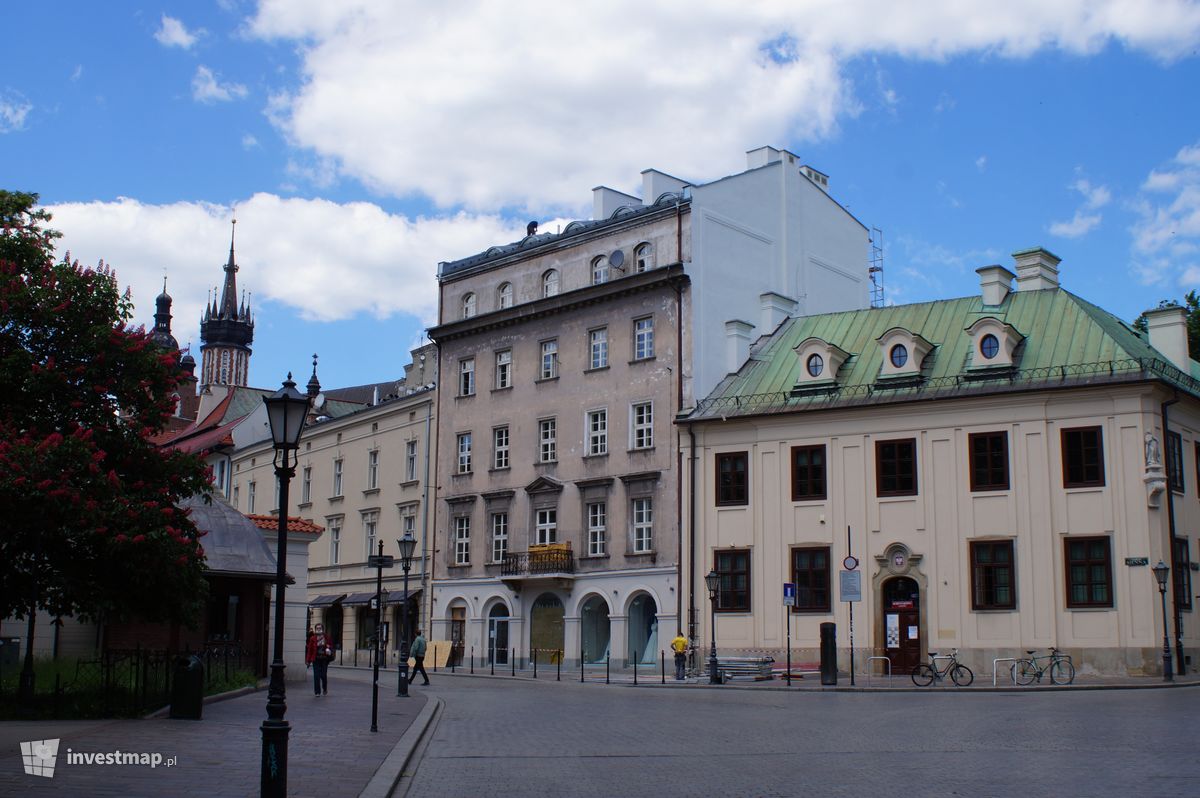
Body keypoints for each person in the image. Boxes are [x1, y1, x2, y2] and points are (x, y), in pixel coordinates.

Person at [305, 623, 335, 696]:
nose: (318, 629)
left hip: (324, 659)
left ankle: (324, 688)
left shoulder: (326, 637)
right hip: (316, 659)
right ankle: (317, 692)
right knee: (316, 676)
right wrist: (308, 660)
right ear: (315, 629)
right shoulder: (313, 638)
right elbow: (310, 650)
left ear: (322, 629)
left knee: (323, 675)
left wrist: (329, 649)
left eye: (320, 628)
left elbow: (331, 646)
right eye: (317, 628)